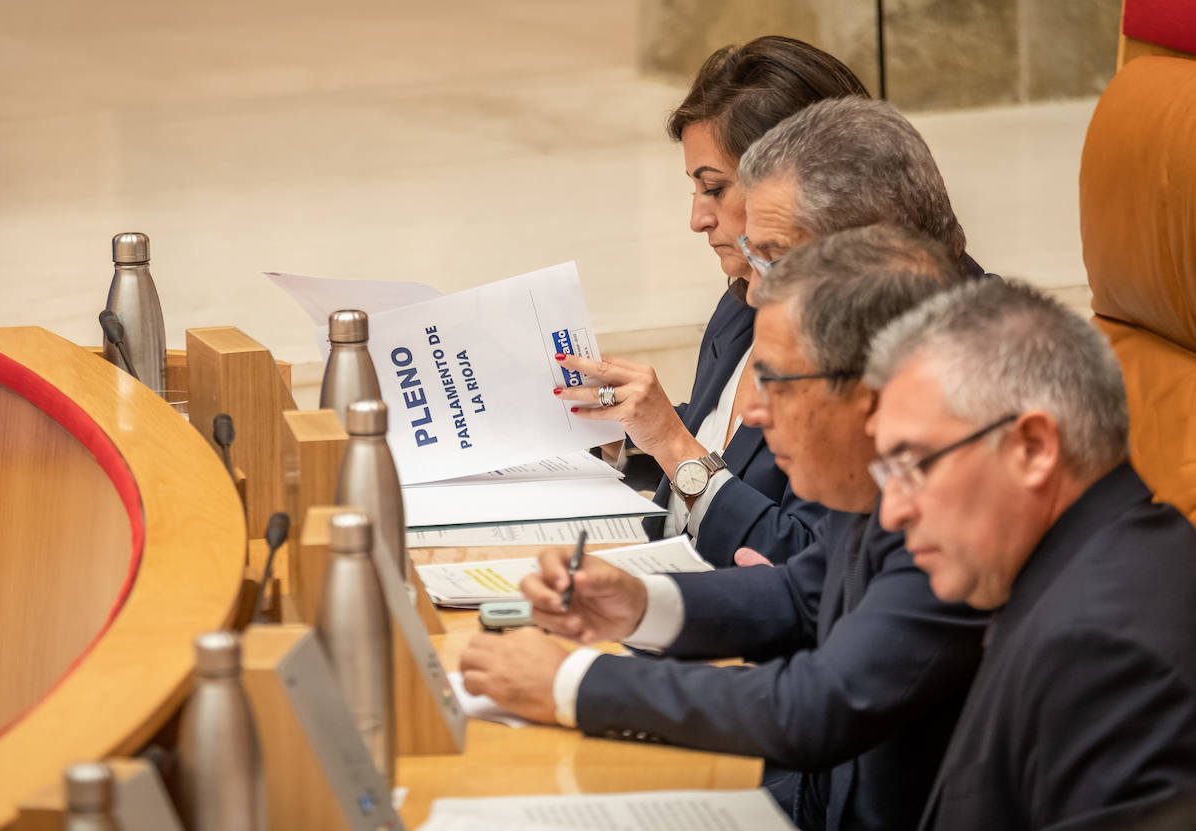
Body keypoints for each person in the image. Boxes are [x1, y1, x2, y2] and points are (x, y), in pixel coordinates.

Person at [464, 224, 988, 831]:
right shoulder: (888, 484)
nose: (754, 414)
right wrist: (636, 603)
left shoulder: (958, 516)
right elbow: (801, 592)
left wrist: (573, 682)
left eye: (777, 383)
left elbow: (817, 706)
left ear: (873, 395)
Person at [864, 279, 1196, 831]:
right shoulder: (1086, 566)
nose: (892, 513)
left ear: (1033, 448)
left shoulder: (1103, 654)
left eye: (914, 466)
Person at [563, 37, 868, 567]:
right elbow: (726, 450)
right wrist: (615, 429)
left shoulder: (873, 344)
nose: (697, 219)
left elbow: (810, 567)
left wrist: (672, 442)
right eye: (695, 189)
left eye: (715, 189)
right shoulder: (743, 303)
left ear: (802, 185)